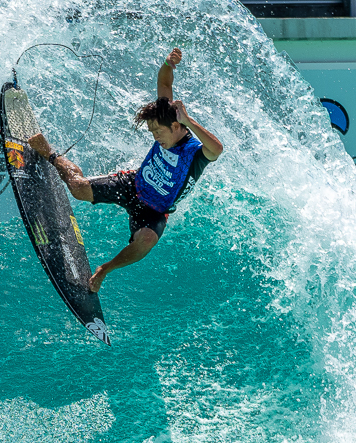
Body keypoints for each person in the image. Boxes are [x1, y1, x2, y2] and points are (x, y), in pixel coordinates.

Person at [28, 47, 224, 292]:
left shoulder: (194, 153)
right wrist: (167, 64)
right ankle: (50, 153)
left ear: (177, 126)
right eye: (152, 132)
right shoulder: (165, 115)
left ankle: (104, 269)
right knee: (78, 188)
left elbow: (217, 149)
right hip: (133, 184)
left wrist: (189, 121)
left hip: (155, 210)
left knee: (147, 241)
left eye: (158, 132)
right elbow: (164, 83)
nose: (155, 137)